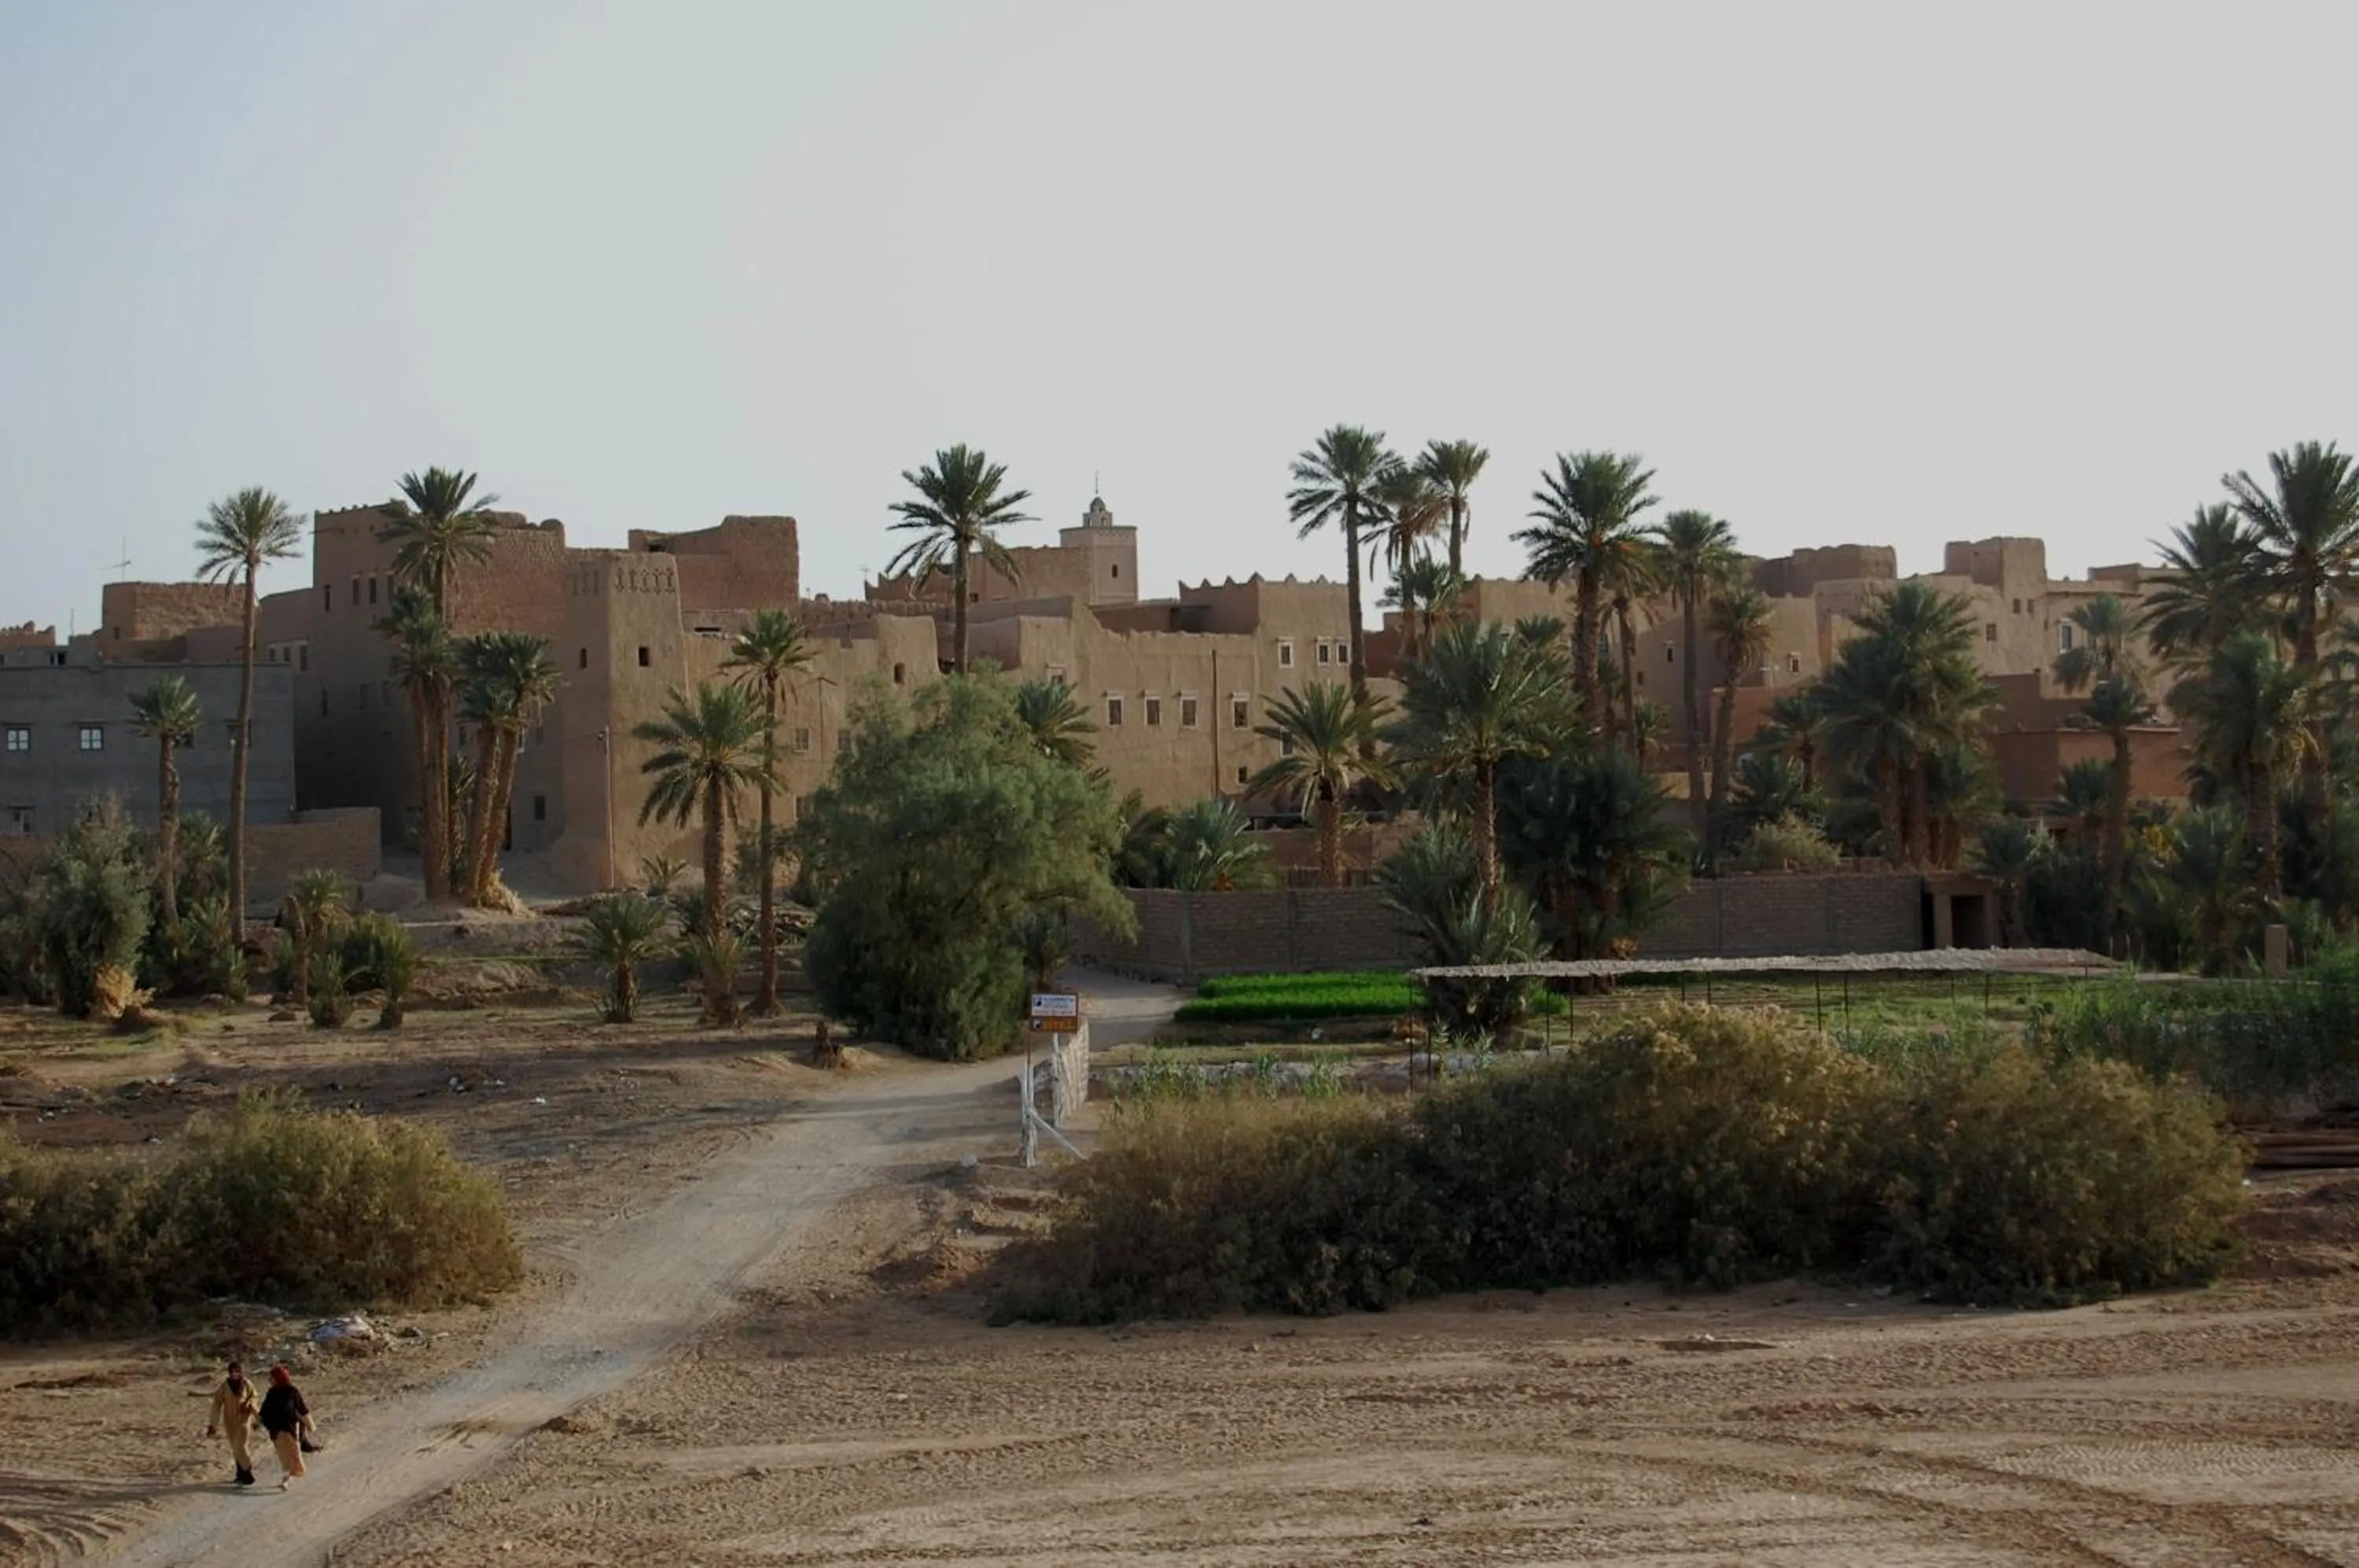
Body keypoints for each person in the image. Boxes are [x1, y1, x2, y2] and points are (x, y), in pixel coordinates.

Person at [257, 1364, 318, 1489]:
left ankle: (287, 1480)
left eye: (272, 1378)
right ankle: (287, 1478)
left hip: (291, 1428)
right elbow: (264, 1410)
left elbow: (302, 1408)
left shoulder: (292, 1391)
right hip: (276, 1430)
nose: (270, 1380)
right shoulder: (272, 1393)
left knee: (294, 1455)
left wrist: (310, 1425)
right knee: (283, 1456)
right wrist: (257, 1422)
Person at [204, 1360, 261, 1486]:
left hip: (243, 1421)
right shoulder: (224, 1386)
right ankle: (240, 1474)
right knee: (235, 1448)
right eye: (233, 1372)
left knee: (241, 1447)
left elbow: (254, 1396)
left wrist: (250, 1404)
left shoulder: (246, 1384)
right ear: (229, 1373)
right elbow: (217, 1405)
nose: (235, 1374)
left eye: (237, 1371)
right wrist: (213, 1424)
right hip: (230, 1422)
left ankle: (248, 1473)